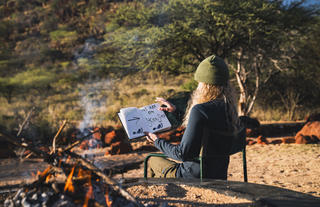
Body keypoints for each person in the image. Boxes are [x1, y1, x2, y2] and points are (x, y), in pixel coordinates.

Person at [144, 54, 242, 179]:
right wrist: (176, 112)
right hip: (218, 174)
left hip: (192, 176)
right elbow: (201, 126)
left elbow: (181, 154)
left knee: (152, 160)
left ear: (204, 85)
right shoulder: (229, 109)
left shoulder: (200, 110)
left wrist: (157, 141)